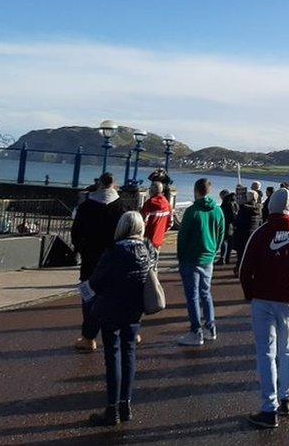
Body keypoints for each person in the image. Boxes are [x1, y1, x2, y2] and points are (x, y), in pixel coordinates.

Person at [240, 188, 289, 429]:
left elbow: (244, 270)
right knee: (288, 350)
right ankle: (287, 398)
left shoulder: (261, 233)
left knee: (266, 353)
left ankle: (268, 408)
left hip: (263, 300)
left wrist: (249, 294)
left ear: (270, 206)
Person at [84, 212, 155, 426]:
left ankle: (112, 409)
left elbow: (96, 282)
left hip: (111, 308)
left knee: (113, 356)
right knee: (129, 353)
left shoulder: (113, 251)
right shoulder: (148, 249)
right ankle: (126, 405)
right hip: (134, 309)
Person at [71, 172, 128, 352]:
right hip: (114, 261)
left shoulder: (86, 207)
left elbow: (75, 234)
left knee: (89, 298)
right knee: (116, 298)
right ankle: (122, 332)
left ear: (99, 184)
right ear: (114, 185)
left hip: (90, 260)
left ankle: (89, 337)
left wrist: (81, 248)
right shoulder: (122, 208)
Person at [176, 178, 225, 347]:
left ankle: (196, 331)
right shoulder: (218, 211)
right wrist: (213, 252)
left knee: (193, 296)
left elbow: (182, 238)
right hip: (208, 258)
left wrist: (181, 258)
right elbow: (221, 234)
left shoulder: (192, 211)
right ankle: (210, 328)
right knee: (205, 293)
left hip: (191, 259)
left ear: (196, 190)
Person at [233, 189, 263, 277]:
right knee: (250, 255)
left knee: (241, 255)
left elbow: (238, 222)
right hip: (253, 235)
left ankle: (239, 270)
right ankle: (251, 271)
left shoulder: (243, 209)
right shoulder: (258, 208)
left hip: (243, 234)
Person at [140, 181, 173, 256]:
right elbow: (170, 223)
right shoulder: (167, 204)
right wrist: (161, 231)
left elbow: (141, 222)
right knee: (154, 260)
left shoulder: (149, 204)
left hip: (147, 239)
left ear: (152, 190)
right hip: (159, 239)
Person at [219, 189, 239, 265]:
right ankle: (227, 258)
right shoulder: (235, 202)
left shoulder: (226, 203)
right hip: (233, 224)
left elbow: (224, 213)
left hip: (226, 223)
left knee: (224, 241)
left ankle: (222, 258)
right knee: (230, 241)